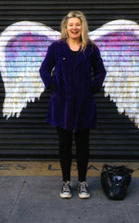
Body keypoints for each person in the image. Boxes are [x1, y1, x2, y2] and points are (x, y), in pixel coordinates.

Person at [39, 11, 107, 199]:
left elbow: (100, 71)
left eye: (78, 24)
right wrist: (53, 85)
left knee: (83, 144)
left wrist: (92, 87)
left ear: (82, 26)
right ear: (66, 27)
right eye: (71, 25)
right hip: (62, 103)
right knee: (64, 144)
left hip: (84, 103)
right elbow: (44, 68)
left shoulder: (91, 49)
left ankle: (83, 182)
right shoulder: (57, 47)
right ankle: (66, 182)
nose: (74, 28)